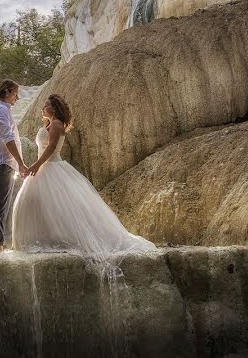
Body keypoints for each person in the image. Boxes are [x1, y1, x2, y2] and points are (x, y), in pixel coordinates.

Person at [11, 94, 156, 257]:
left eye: (46, 105)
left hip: (52, 167)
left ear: (53, 108)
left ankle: (60, 240)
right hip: (42, 168)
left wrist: (35, 165)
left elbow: (51, 148)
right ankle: (43, 240)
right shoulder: (49, 124)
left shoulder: (57, 124)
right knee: (39, 203)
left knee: (59, 206)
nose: (42, 108)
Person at [0, 79, 28, 251]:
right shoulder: (1, 110)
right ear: (7, 92)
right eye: (15, 94)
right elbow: (8, 138)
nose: (17, 98)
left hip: (5, 163)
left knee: (1, 205)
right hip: (4, 163)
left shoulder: (3, 110)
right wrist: (21, 163)